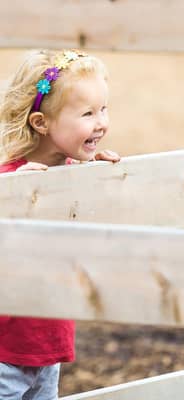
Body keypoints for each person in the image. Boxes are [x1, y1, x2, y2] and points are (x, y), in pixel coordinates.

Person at [0, 49, 120, 399]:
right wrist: (16, 196)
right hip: (5, 354)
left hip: (47, 351)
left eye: (104, 109)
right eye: (88, 113)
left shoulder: (73, 177)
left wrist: (98, 180)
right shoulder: (10, 179)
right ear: (41, 123)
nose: (102, 122)